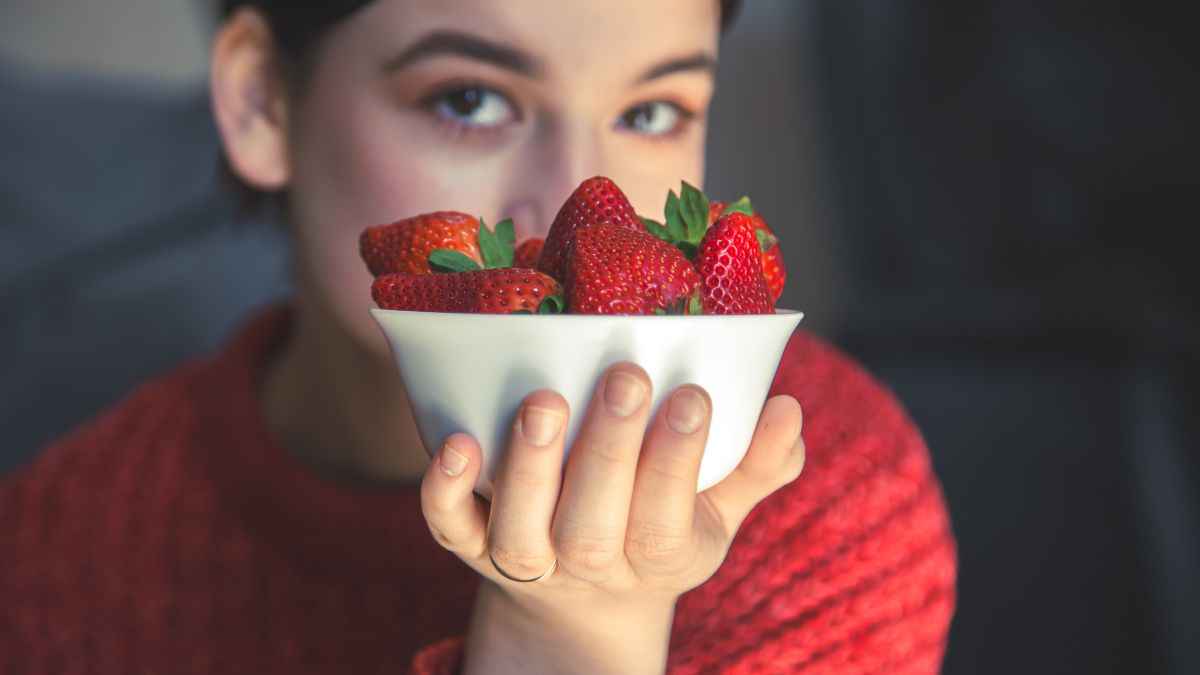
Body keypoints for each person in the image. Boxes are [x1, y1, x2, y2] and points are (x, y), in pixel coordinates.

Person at [0, 1, 957, 673]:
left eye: (652, 111)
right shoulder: (53, 556)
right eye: (470, 100)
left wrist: (580, 631)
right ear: (261, 99)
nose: (588, 204)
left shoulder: (830, 490)